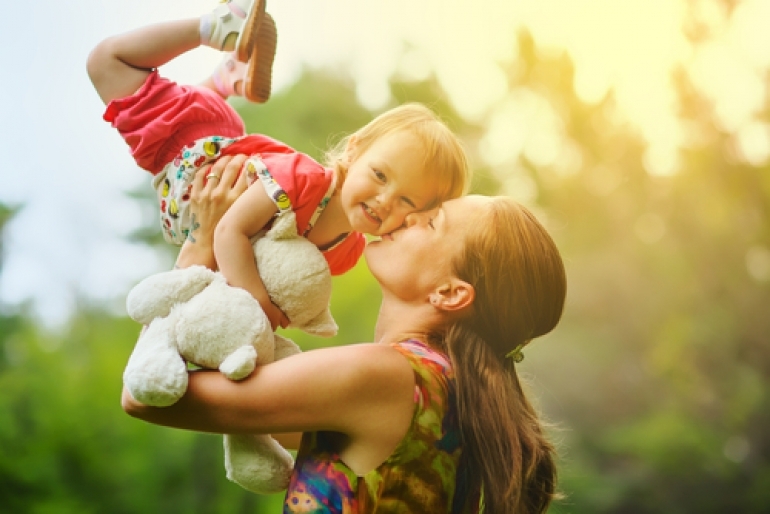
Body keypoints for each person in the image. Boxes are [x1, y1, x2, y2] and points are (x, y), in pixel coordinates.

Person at [122, 156, 567, 513]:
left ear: (450, 294)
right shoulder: (448, 394)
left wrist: (202, 246)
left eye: (432, 223)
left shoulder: (387, 378)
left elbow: (146, 395)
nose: (410, 218)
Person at [86, 0, 470, 329]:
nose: (386, 200)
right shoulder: (302, 181)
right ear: (353, 152)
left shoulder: (346, 253)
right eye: (380, 175)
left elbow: (275, 277)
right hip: (186, 146)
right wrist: (260, 309)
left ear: (418, 219)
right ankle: (220, 28)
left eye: (408, 201)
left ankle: (226, 80)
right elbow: (228, 233)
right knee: (106, 61)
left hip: (202, 181)